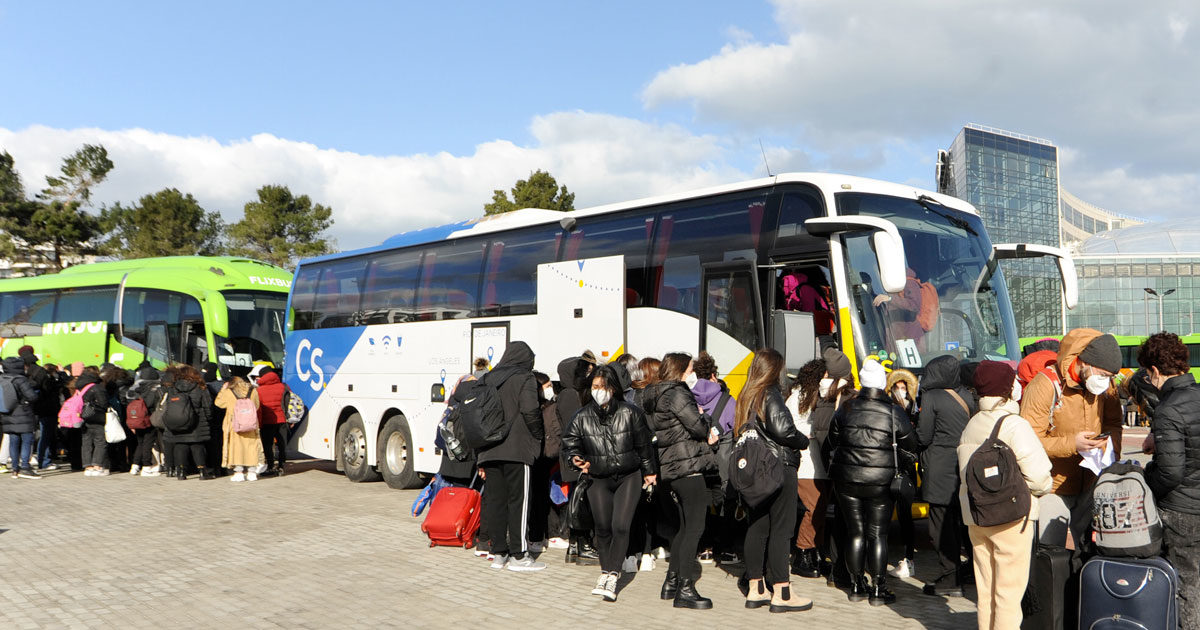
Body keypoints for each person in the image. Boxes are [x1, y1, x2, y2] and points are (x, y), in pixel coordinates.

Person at [957, 361, 1053, 630]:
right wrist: (1037, 491)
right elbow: (1040, 477)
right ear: (1008, 389)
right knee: (1008, 596)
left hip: (976, 518)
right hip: (1011, 519)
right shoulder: (1014, 425)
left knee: (986, 591)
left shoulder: (971, 424)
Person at [825, 359, 919, 606]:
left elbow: (830, 444)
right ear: (882, 384)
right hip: (881, 482)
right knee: (878, 535)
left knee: (855, 533)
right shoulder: (893, 411)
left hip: (846, 481)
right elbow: (911, 447)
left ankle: (856, 587)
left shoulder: (846, 408)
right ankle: (878, 590)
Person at [1020, 328, 1123, 549]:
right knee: (1050, 550)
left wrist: (1110, 446)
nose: (1106, 381)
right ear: (1084, 362)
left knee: (1088, 548)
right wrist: (1072, 444)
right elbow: (1027, 441)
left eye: (1110, 377)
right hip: (1053, 486)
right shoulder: (1045, 384)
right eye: (1103, 375)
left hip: (1091, 481)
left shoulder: (1106, 386)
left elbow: (1114, 423)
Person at [561, 364, 657, 602]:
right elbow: (570, 444)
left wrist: (650, 472)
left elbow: (644, 446)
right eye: (595, 387)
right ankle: (606, 571)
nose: (599, 391)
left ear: (613, 388)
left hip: (628, 475)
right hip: (597, 478)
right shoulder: (581, 417)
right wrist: (575, 459)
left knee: (621, 525)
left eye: (603, 387)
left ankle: (612, 574)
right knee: (602, 528)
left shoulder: (630, 412)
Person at [736, 348, 814, 613]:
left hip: (755, 471)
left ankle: (756, 587)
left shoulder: (746, 394)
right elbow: (782, 429)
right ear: (773, 370)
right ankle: (782, 590)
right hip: (777, 467)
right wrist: (802, 440)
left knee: (757, 526)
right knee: (782, 528)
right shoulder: (770, 393)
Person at [640, 352, 718, 609]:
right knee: (695, 527)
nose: (692, 373)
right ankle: (686, 587)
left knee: (683, 527)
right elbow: (696, 427)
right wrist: (704, 418)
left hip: (669, 468)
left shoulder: (653, 394)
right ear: (681, 370)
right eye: (691, 368)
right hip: (688, 467)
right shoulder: (677, 392)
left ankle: (671, 581)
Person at [1139, 332, 1200, 627]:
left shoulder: (1167, 409)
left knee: (1185, 588)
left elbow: (1170, 472)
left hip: (1182, 511)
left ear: (1154, 371)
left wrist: (1146, 480)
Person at [476, 341, 546, 572]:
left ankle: (498, 553)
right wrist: (538, 436)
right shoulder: (524, 378)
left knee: (496, 502)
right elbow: (529, 410)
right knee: (520, 502)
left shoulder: (487, 378)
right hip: (517, 449)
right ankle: (519, 554)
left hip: (489, 449)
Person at [916, 354, 977, 596]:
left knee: (940, 524)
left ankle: (949, 577)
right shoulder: (967, 395)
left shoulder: (932, 396)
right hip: (963, 465)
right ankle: (970, 570)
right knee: (963, 522)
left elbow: (923, 435)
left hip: (940, 467)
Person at [805, 347, 857, 582]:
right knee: (848, 522)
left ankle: (835, 567)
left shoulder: (818, 398)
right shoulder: (850, 399)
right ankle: (846, 570)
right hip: (846, 469)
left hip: (826, 467)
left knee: (834, 519)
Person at [785, 358, 829, 578]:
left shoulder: (815, 397)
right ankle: (802, 552)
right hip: (805, 464)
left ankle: (815, 553)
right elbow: (792, 427)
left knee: (820, 510)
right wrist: (815, 431)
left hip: (818, 464)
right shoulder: (797, 398)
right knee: (814, 508)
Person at [556, 354, 599, 565]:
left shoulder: (566, 394)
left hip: (573, 454)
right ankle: (583, 545)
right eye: (585, 371)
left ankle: (575, 545)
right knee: (582, 502)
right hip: (577, 455)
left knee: (578, 500)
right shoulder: (571, 395)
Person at [886, 367, 919, 579]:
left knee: (906, 514)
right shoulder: (888, 410)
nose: (901, 392)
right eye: (897, 388)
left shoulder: (914, 410)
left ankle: (908, 557)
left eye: (903, 388)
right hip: (891, 466)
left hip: (905, 469)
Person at [165, 365, 216, 481]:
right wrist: (208, 418)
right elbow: (207, 405)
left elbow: (169, 404)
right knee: (197, 445)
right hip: (197, 420)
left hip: (178, 420)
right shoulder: (200, 387)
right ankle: (202, 471)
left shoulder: (173, 388)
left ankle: (181, 472)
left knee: (180, 445)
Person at [17, 347, 60, 472]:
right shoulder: (40, 372)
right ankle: (44, 460)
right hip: (45, 407)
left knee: (27, 436)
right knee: (44, 435)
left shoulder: (21, 373)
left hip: (28, 408)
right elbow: (48, 390)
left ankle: (23, 460)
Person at [215, 376, 264, 482]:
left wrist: (223, 389)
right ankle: (252, 472)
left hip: (234, 424)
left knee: (236, 448)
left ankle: (239, 472)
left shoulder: (229, 391)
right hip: (251, 423)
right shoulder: (253, 390)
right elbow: (257, 405)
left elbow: (219, 403)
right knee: (251, 447)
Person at [1, 355, 41, 479]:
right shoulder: (20, 379)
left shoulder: (1, 378)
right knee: (26, 440)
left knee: (13, 441)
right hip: (23, 414)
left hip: (7, 414)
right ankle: (25, 467)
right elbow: (32, 397)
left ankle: (14, 468)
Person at [125, 364, 164, 477]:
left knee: (140, 443)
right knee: (148, 443)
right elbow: (152, 404)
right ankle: (146, 467)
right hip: (148, 419)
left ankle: (135, 466)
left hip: (136, 419)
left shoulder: (136, 388)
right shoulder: (154, 389)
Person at [78, 367, 112, 477]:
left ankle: (88, 467)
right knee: (100, 441)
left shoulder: (79, 386)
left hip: (84, 416)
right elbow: (103, 403)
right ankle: (97, 466)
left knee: (86, 442)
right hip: (97, 417)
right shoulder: (96, 387)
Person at [254, 368, 289, 476]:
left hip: (267, 421)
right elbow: (289, 402)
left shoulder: (259, 390)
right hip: (282, 420)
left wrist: (259, 423)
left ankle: (270, 466)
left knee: (268, 445)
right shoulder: (283, 386)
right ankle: (282, 466)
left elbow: (259, 409)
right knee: (282, 444)